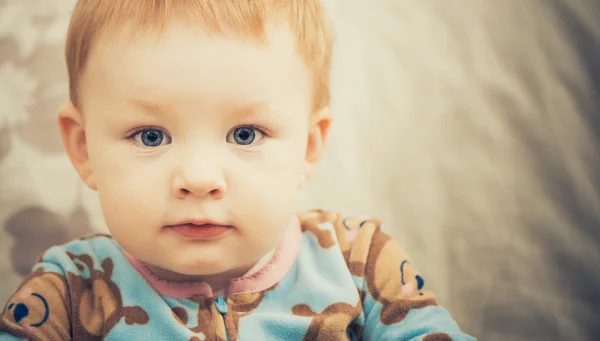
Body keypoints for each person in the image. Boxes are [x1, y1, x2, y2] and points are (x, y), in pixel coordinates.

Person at [0, 1, 475, 340]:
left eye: (245, 134)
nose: (200, 178)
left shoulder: (357, 264)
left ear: (308, 145)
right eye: (151, 136)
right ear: (83, 149)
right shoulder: (70, 289)